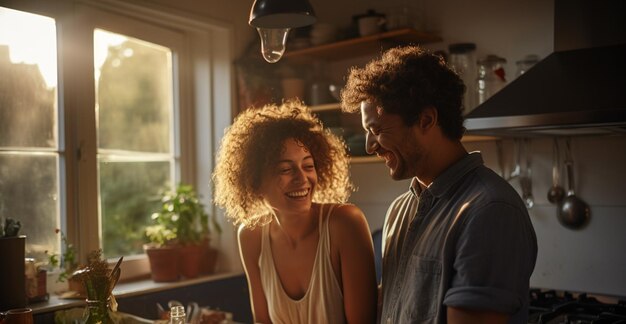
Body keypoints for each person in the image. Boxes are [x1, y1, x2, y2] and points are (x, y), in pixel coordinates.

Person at [341, 46, 537, 324]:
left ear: (426, 120)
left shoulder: (489, 211)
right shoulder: (400, 210)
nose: (370, 146)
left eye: (376, 130)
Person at [212, 100, 378, 324]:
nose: (302, 179)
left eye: (308, 166)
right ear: (254, 182)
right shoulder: (251, 236)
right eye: (285, 169)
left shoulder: (345, 223)